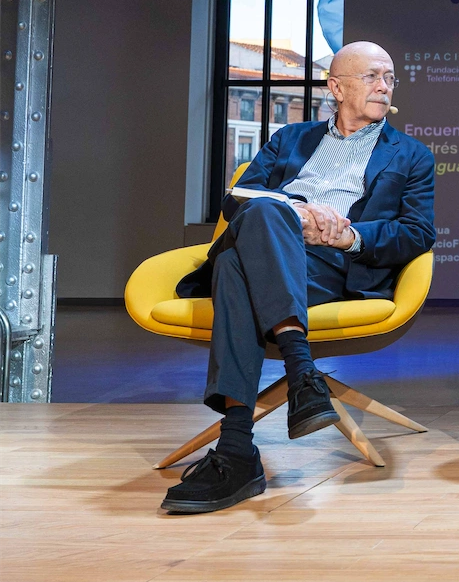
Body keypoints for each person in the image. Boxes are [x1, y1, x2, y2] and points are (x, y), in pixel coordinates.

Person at [162, 41, 436, 514]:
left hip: (331, 265)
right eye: (372, 76)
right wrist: (296, 212)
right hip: (277, 248)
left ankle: (236, 452)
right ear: (336, 87)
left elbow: (417, 232)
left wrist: (348, 235)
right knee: (267, 214)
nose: (384, 86)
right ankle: (300, 370)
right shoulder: (290, 139)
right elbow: (236, 200)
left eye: (390, 77)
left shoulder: (411, 156)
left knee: (232, 267)